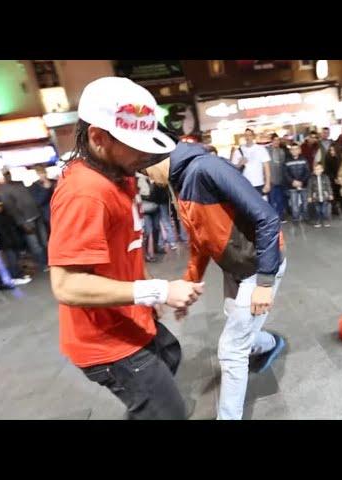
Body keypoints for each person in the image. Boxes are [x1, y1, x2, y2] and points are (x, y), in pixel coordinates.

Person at [48, 76, 204, 420]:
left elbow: (127, 246)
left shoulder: (121, 173)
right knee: (169, 412)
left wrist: (149, 297)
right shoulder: (85, 192)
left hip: (130, 318)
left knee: (170, 356)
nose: (146, 154)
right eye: (136, 145)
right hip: (105, 342)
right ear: (98, 138)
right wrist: (158, 290)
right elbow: (66, 285)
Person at [145, 141, 288, 421]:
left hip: (258, 266)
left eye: (144, 168)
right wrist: (190, 285)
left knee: (232, 349)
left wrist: (265, 282)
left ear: (156, 156)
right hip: (235, 266)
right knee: (238, 325)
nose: (146, 176)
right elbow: (200, 244)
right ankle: (271, 343)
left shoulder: (206, 168)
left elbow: (268, 219)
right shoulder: (179, 183)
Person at [0, 167, 48, 271]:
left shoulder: (19, 183)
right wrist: (22, 222)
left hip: (36, 215)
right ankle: (43, 264)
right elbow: (11, 208)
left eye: (8, 173)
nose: (8, 175)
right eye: (5, 174)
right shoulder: (3, 190)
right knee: (35, 245)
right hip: (26, 220)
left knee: (44, 241)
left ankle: (50, 261)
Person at [231, 128, 271, 196]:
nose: (248, 137)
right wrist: (240, 163)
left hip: (259, 183)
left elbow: (267, 168)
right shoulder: (238, 151)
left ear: (253, 136)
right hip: (244, 185)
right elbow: (232, 169)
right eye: (246, 135)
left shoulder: (261, 149)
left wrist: (267, 183)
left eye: (249, 135)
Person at [284, 143, 310, 223]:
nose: (294, 151)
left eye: (296, 149)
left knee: (305, 203)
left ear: (299, 150)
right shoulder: (287, 161)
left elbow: (307, 172)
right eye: (292, 149)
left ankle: (306, 217)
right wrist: (292, 181)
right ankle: (295, 218)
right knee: (294, 204)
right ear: (290, 151)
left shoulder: (304, 159)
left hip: (304, 185)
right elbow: (285, 173)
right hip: (292, 186)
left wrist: (301, 181)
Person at [266, 133, 288, 222]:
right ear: (271, 141)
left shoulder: (281, 151)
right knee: (272, 200)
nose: (277, 142)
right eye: (275, 140)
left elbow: (283, 165)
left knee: (280, 199)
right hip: (271, 179)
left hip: (280, 179)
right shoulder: (267, 151)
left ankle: (281, 216)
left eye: (278, 140)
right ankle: (273, 218)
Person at [30, 165, 56, 236]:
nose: (43, 175)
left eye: (43, 172)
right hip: (48, 216)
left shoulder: (54, 181)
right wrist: (46, 189)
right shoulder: (34, 186)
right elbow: (38, 201)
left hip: (60, 211)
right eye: (40, 173)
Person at [307, 163, 333, 228]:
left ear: (322, 170)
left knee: (324, 210)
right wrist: (309, 196)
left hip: (324, 197)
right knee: (317, 210)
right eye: (315, 169)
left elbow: (328, 186)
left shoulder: (325, 177)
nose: (317, 171)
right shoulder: (311, 179)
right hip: (316, 197)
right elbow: (309, 188)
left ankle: (326, 220)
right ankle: (318, 221)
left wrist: (330, 194)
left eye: (318, 169)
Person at [324, 143, 342, 215]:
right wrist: (334, 178)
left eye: (333, 150)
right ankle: (334, 209)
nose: (332, 152)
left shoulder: (340, 158)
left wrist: (339, 178)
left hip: (340, 178)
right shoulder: (328, 157)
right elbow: (327, 170)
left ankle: (340, 208)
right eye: (330, 150)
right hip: (332, 178)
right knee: (333, 193)